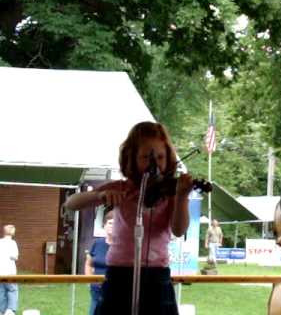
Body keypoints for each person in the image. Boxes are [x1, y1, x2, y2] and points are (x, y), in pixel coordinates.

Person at [65, 121, 193, 315]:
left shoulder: (171, 193)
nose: (154, 164)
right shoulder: (122, 188)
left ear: (168, 159)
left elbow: (179, 229)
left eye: (160, 157)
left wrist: (182, 196)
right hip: (120, 275)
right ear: (132, 158)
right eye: (145, 157)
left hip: (156, 277)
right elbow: (71, 203)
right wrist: (98, 196)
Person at [85, 210, 114, 315]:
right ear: (104, 225)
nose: (112, 226)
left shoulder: (122, 247)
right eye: (110, 223)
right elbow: (88, 263)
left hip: (113, 292)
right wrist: (89, 280)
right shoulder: (97, 243)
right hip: (96, 291)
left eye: (116, 224)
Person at [0, 225, 19, 315]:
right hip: (10, 272)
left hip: (0, 272)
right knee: (12, 290)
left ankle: (2, 310)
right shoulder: (13, 243)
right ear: (13, 233)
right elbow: (15, 257)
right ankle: (10, 309)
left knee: (1, 291)